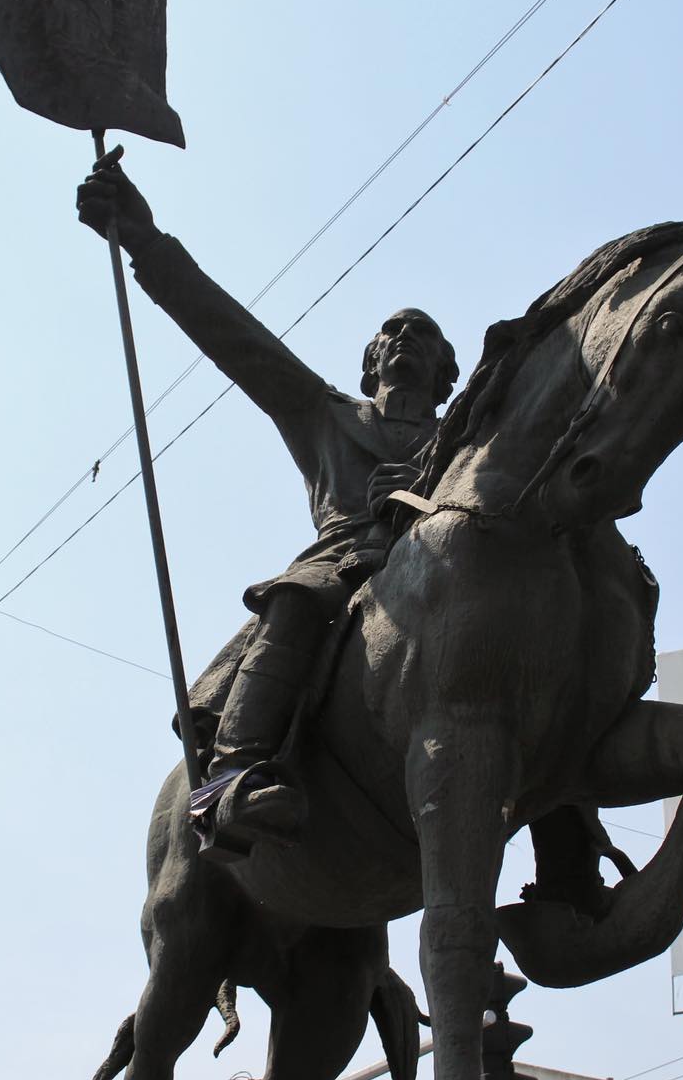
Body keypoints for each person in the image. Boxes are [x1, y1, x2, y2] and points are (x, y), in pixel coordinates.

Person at [77, 151, 458, 857]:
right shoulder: (323, 414)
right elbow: (234, 338)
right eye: (393, 331)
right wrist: (144, 240)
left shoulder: (471, 437)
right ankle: (234, 777)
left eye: (424, 333)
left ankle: (566, 853)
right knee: (297, 597)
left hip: (447, 561)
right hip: (344, 563)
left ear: (446, 370)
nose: (407, 337)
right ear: (371, 361)